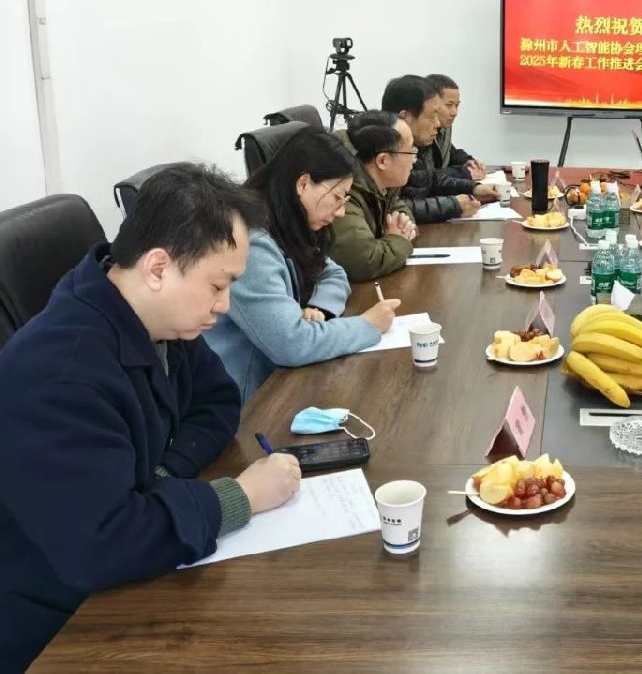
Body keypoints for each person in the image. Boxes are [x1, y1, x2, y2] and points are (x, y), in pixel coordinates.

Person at [0, 164, 302, 667]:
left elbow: (218, 400)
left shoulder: (155, 319)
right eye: (218, 285)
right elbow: (99, 545)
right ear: (158, 268)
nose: (224, 304)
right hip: (57, 624)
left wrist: (164, 475)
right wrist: (239, 497)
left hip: (126, 577)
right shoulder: (60, 376)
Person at [204, 126, 401, 402]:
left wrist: (319, 308)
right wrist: (368, 325)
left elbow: (333, 272)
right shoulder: (252, 243)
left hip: (280, 378)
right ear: (303, 184)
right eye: (337, 197)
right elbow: (291, 343)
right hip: (250, 399)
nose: (341, 211)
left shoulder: (289, 222)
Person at [381, 75, 498, 223]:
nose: (437, 124)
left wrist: (473, 188)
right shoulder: (383, 151)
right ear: (405, 116)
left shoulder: (415, 145)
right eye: (432, 116)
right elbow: (393, 209)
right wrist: (454, 205)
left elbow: (430, 180)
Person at [329, 110, 420, 282]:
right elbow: (363, 261)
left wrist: (402, 229)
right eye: (411, 151)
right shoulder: (343, 191)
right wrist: (398, 239)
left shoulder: (383, 184)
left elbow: (400, 211)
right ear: (383, 161)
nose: (415, 159)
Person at [426, 73, 486, 181]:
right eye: (449, 105)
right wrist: (465, 173)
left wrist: (468, 161)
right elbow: (424, 175)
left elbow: (450, 152)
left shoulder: (445, 124)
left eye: (457, 105)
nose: (454, 112)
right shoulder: (419, 131)